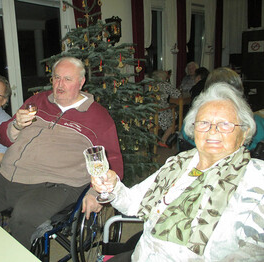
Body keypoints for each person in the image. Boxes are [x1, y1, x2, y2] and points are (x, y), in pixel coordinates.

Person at [90, 83, 264, 261]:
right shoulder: (178, 163)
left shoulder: (257, 179)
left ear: (244, 133)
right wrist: (114, 187)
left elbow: (255, 251)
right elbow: (133, 202)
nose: (212, 130)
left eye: (225, 124)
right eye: (204, 123)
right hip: (142, 255)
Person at [0, 57, 123, 249]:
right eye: (56, 78)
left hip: (55, 184)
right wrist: (15, 126)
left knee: (25, 216)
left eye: (67, 79)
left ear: (81, 82)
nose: (60, 84)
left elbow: (113, 162)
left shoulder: (98, 117)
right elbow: (2, 137)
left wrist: (95, 193)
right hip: (8, 175)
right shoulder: (37, 100)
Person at [180, 67, 264, 152]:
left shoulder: (190, 122)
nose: (213, 132)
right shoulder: (257, 123)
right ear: (239, 90)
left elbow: (183, 147)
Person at [150, 70, 181, 148]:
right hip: (160, 112)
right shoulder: (165, 85)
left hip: (149, 112)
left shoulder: (150, 84)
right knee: (174, 117)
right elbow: (177, 94)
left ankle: (152, 141)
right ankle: (163, 140)